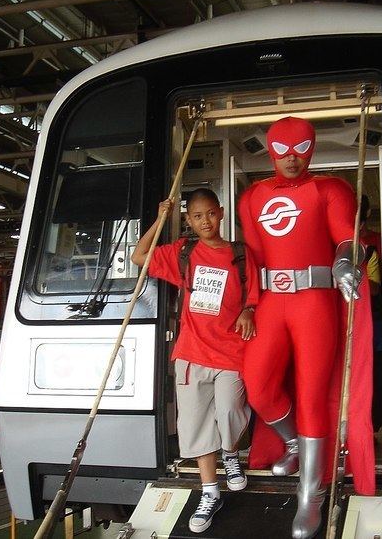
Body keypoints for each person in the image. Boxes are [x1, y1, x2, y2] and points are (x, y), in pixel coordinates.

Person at [238, 116, 374, 539]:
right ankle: (293, 443)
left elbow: (344, 238)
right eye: (281, 150)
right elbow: (252, 257)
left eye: (299, 150)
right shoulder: (253, 197)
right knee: (257, 385)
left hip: (315, 301)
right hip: (271, 302)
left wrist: (345, 261)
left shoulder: (331, 189)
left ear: (311, 149)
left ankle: (309, 495)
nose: (291, 159)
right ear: (271, 150)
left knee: (313, 394)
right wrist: (247, 304)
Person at [131, 188, 260, 534]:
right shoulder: (183, 253)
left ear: (221, 213)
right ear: (189, 220)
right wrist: (160, 218)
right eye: (197, 216)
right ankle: (210, 491)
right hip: (191, 354)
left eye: (211, 214)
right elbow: (139, 256)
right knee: (196, 422)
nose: (206, 221)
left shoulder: (241, 255)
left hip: (232, 352)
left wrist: (248, 310)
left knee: (231, 410)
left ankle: (230, 454)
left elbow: (254, 298)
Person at [359, 195, 382, 434]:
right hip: (342, 323)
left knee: (374, 372)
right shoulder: (335, 241)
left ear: (367, 214)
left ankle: (373, 428)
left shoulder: (377, 242)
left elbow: (379, 288)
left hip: (373, 321)